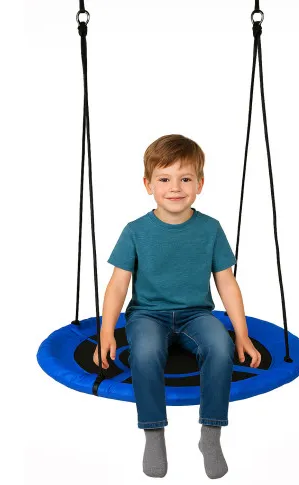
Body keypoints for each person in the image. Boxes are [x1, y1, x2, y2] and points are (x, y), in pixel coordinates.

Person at [93, 134, 261, 479]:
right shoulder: (135, 231)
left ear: (200, 184)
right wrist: (106, 332)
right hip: (147, 315)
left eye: (185, 178)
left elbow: (226, 283)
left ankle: (210, 434)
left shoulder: (211, 229)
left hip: (196, 314)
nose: (175, 188)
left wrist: (242, 335)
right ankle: (154, 434)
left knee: (221, 348)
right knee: (144, 353)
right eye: (164, 179)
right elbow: (117, 285)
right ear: (148, 185)